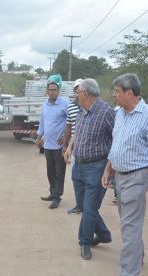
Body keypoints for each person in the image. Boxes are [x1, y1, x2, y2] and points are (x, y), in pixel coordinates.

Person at [102, 73, 148, 276]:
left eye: (117, 92)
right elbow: (117, 143)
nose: (114, 95)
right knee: (128, 222)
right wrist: (108, 169)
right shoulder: (119, 113)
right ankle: (136, 258)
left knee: (130, 226)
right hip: (120, 175)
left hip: (137, 175)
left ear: (129, 93)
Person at [63, 79, 115, 260]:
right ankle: (103, 234)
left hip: (97, 167)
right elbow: (78, 134)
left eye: (78, 92)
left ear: (86, 93)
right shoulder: (81, 112)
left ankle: (84, 242)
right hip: (79, 166)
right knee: (85, 206)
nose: (75, 95)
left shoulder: (107, 112)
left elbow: (117, 140)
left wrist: (110, 168)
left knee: (90, 206)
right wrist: (70, 147)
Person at [36, 74, 69, 209]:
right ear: (47, 92)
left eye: (55, 90)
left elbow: (72, 122)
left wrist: (66, 137)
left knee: (59, 172)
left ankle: (57, 197)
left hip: (59, 145)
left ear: (58, 91)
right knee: (50, 171)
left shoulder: (65, 104)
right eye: (50, 90)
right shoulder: (45, 105)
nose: (52, 92)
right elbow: (42, 122)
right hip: (48, 145)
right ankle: (52, 192)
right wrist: (39, 137)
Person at [62, 79, 83, 214]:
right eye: (76, 89)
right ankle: (79, 205)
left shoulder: (90, 106)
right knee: (76, 178)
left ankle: (87, 206)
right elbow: (68, 127)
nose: (78, 91)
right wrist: (65, 145)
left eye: (80, 89)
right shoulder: (70, 107)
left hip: (89, 148)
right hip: (75, 147)